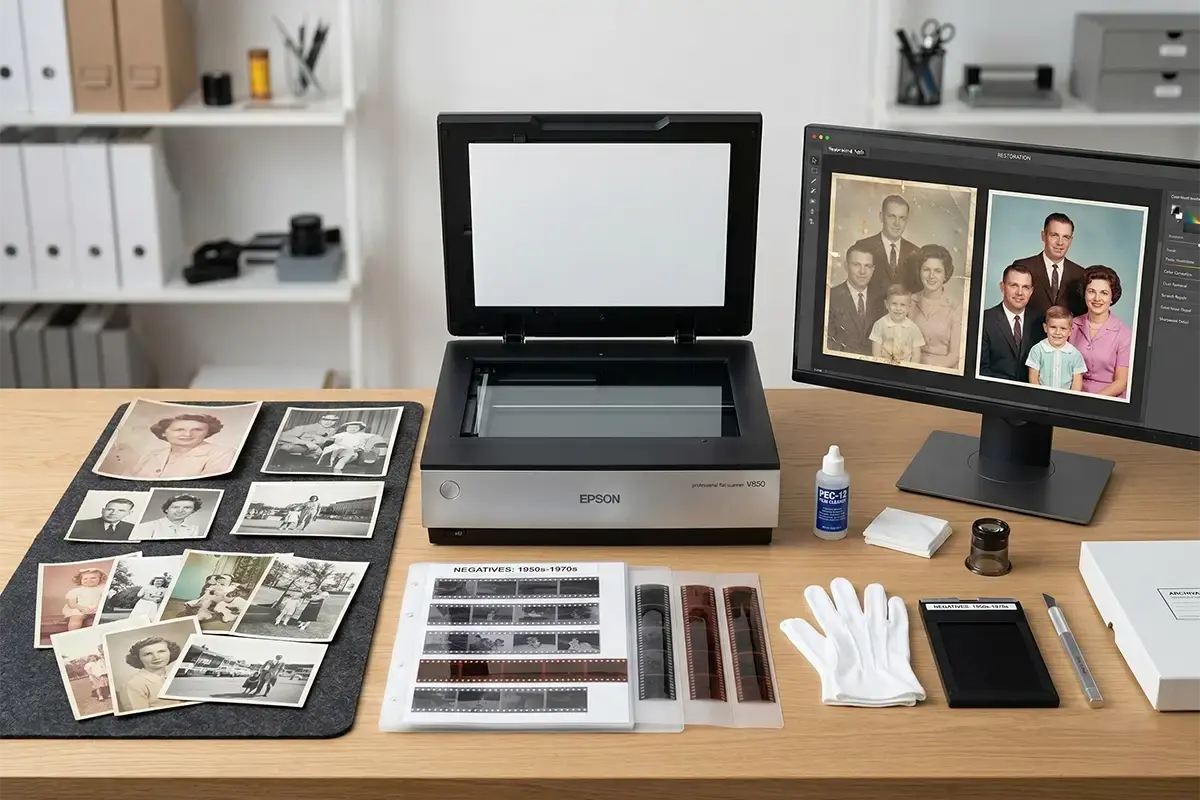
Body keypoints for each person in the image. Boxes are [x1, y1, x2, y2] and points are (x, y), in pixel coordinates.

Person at [1006, 212, 1087, 324]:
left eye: (1066, 237)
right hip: (1028, 338)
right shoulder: (1024, 266)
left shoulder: (1080, 274)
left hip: (1065, 339)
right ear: (1043, 236)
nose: (1060, 242)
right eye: (1054, 235)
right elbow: (1011, 307)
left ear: (1071, 240)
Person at [1070, 265, 1133, 398]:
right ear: (1084, 293)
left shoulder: (1124, 334)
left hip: (1107, 399)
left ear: (1112, 297)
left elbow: (1121, 382)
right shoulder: (1071, 326)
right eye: (1091, 291)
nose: (1097, 298)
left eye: (1104, 293)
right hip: (1073, 395)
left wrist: (1091, 401)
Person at [979, 264, 1045, 382]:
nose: (1020, 292)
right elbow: (981, 369)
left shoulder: (1040, 323)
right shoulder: (984, 320)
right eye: (1014, 285)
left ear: (1031, 291)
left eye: (1025, 287)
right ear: (1002, 287)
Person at [123, 413, 236, 479]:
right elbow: (126, 480)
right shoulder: (152, 454)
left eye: (197, 430)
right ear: (163, 432)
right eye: (179, 430)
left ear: (207, 433)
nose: (187, 434)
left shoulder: (222, 454)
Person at [851, 195, 921, 296]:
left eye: (902, 218)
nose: (897, 223)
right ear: (881, 216)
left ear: (906, 221)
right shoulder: (863, 246)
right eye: (891, 216)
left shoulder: (916, 252)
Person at [906, 244, 962, 370]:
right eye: (926, 269)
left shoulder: (955, 307)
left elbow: (955, 354)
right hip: (911, 367)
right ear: (919, 271)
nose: (931, 276)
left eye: (937, 271)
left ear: (945, 274)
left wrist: (930, 370)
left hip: (941, 371)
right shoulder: (909, 301)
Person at [826, 243, 886, 355]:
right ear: (846, 266)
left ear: (873, 269)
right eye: (856, 265)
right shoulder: (831, 297)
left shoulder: (883, 298)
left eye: (867, 266)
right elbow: (826, 341)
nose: (862, 271)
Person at [1026, 306, 1087, 392]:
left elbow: (1076, 384)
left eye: (1063, 328)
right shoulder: (1037, 350)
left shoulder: (1075, 354)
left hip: (1066, 401)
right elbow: (1033, 380)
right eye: (1053, 327)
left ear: (1070, 331)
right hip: (1041, 398)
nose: (1057, 332)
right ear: (1045, 327)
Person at [121, 636, 182, 711]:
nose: (156, 657)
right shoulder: (133, 684)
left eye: (161, 651)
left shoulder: (175, 675)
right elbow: (141, 717)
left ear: (170, 652)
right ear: (138, 658)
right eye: (148, 654)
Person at [869, 285, 925, 364]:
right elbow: (876, 353)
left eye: (903, 305)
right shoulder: (879, 325)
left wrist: (911, 370)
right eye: (894, 304)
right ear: (886, 304)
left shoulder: (913, 328)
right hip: (884, 366)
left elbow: (916, 355)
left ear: (909, 307)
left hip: (906, 369)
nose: (898, 308)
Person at [317, 421, 383, 473]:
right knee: (332, 449)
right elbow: (331, 439)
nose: (353, 429)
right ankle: (329, 460)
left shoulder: (362, 435)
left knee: (350, 454)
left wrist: (370, 443)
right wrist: (334, 440)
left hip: (353, 449)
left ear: (360, 429)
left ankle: (340, 463)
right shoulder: (342, 434)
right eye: (350, 427)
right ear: (346, 428)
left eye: (356, 428)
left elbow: (375, 436)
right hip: (340, 447)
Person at [131, 494, 203, 540]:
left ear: (193, 511)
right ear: (166, 509)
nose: (180, 511)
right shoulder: (146, 526)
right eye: (175, 507)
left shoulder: (194, 528)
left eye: (187, 507)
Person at [273, 412, 341, 461]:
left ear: (336, 422)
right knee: (285, 448)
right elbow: (282, 436)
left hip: (318, 456)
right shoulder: (307, 427)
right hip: (300, 452)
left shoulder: (334, 430)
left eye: (333, 420)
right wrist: (305, 442)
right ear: (320, 419)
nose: (329, 422)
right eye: (326, 419)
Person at [69, 498, 137, 541]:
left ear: (129, 513)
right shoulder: (80, 525)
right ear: (103, 510)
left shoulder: (133, 528)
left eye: (121, 511)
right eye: (110, 509)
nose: (113, 513)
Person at [62, 568, 107, 632]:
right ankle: (73, 633)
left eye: (93, 578)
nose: (89, 580)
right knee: (76, 618)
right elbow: (72, 604)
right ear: (80, 580)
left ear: (100, 579)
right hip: (80, 608)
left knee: (102, 617)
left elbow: (104, 599)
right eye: (85, 579)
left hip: (97, 608)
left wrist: (98, 607)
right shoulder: (76, 591)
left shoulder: (102, 589)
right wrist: (82, 608)